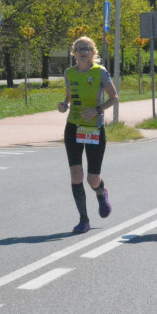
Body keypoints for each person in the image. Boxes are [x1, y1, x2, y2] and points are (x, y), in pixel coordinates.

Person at [57, 36, 118, 234]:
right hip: (74, 127)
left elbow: (114, 98)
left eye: (87, 48)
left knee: (92, 178)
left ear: (93, 52)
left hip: (94, 128)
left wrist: (97, 110)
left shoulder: (99, 72)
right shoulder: (69, 73)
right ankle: (84, 219)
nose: (83, 51)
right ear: (74, 53)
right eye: (79, 48)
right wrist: (64, 105)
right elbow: (68, 96)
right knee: (76, 175)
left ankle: (101, 192)